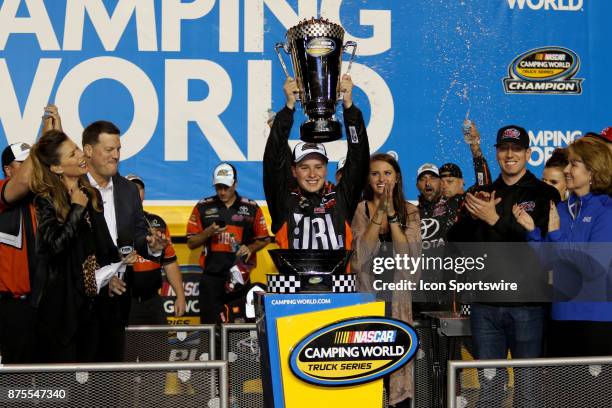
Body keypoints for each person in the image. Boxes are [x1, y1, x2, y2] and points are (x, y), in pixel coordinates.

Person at [449, 125, 560, 408]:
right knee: (489, 391)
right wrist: (471, 214)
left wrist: (494, 219)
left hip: (528, 305)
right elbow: (455, 240)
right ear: (497, 153)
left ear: (528, 154)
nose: (510, 154)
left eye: (517, 149)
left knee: (528, 390)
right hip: (485, 304)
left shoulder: (544, 194)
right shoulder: (484, 192)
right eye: (504, 148)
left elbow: (541, 247)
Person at [29, 130, 130, 362]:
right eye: (72, 153)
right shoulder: (45, 200)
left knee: (93, 386)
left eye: (77, 148)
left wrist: (111, 275)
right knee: (62, 387)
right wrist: (75, 209)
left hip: (92, 306)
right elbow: (55, 247)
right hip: (61, 310)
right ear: (57, 168)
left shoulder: (90, 194)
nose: (80, 155)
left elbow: (103, 248)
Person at [513, 136, 612, 357]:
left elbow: (593, 267)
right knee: (562, 392)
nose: (566, 169)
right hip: (560, 315)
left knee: (595, 392)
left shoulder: (606, 210)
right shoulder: (561, 208)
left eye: (573, 164)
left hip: (596, 319)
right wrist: (533, 233)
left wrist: (556, 235)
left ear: (592, 171)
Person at [82, 120, 167, 361]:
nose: (116, 155)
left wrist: (151, 245)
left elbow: (138, 234)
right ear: (88, 150)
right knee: (75, 382)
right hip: (77, 301)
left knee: (111, 380)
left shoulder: (128, 190)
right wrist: (98, 279)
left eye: (118, 149)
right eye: (109, 150)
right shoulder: (71, 187)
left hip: (118, 300)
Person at [263, 75, 369, 249]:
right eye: (304, 167)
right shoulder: (284, 201)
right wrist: (289, 107)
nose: (312, 174)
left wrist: (349, 107)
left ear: (326, 169)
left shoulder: (341, 199)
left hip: (337, 277)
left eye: (318, 167)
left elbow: (359, 157)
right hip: (294, 277)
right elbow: (273, 159)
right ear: (294, 171)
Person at [350, 153, 420, 407]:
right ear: (368, 179)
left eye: (387, 173)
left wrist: (392, 216)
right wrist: (378, 213)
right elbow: (360, 259)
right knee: (368, 369)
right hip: (368, 300)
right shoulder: (360, 209)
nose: (381, 179)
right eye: (375, 173)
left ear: (397, 177)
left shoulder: (410, 212)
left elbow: (407, 258)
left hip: (398, 302)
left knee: (397, 367)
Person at [0, 104, 61, 363]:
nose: (30, 168)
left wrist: (54, 138)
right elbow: (24, 181)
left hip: (47, 302)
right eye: (21, 164)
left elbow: (61, 171)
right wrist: (41, 142)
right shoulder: (4, 191)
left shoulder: (45, 197)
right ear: (8, 170)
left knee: (53, 379)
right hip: (13, 306)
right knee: (17, 383)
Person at [187, 163, 270, 324]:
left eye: (226, 187)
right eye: (219, 187)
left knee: (239, 328)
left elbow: (264, 238)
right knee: (210, 328)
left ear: (235, 184)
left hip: (239, 278)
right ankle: (212, 351)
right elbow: (191, 242)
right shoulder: (203, 207)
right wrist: (208, 232)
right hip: (211, 279)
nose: (222, 192)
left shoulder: (251, 208)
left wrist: (250, 248)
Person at [126, 174, 186, 325]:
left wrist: (180, 295)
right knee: (127, 349)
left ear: (144, 193)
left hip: (153, 301)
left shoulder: (157, 223)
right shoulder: (113, 222)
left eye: (139, 188)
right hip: (124, 302)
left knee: (159, 349)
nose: (136, 192)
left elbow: (170, 262)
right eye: (131, 188)